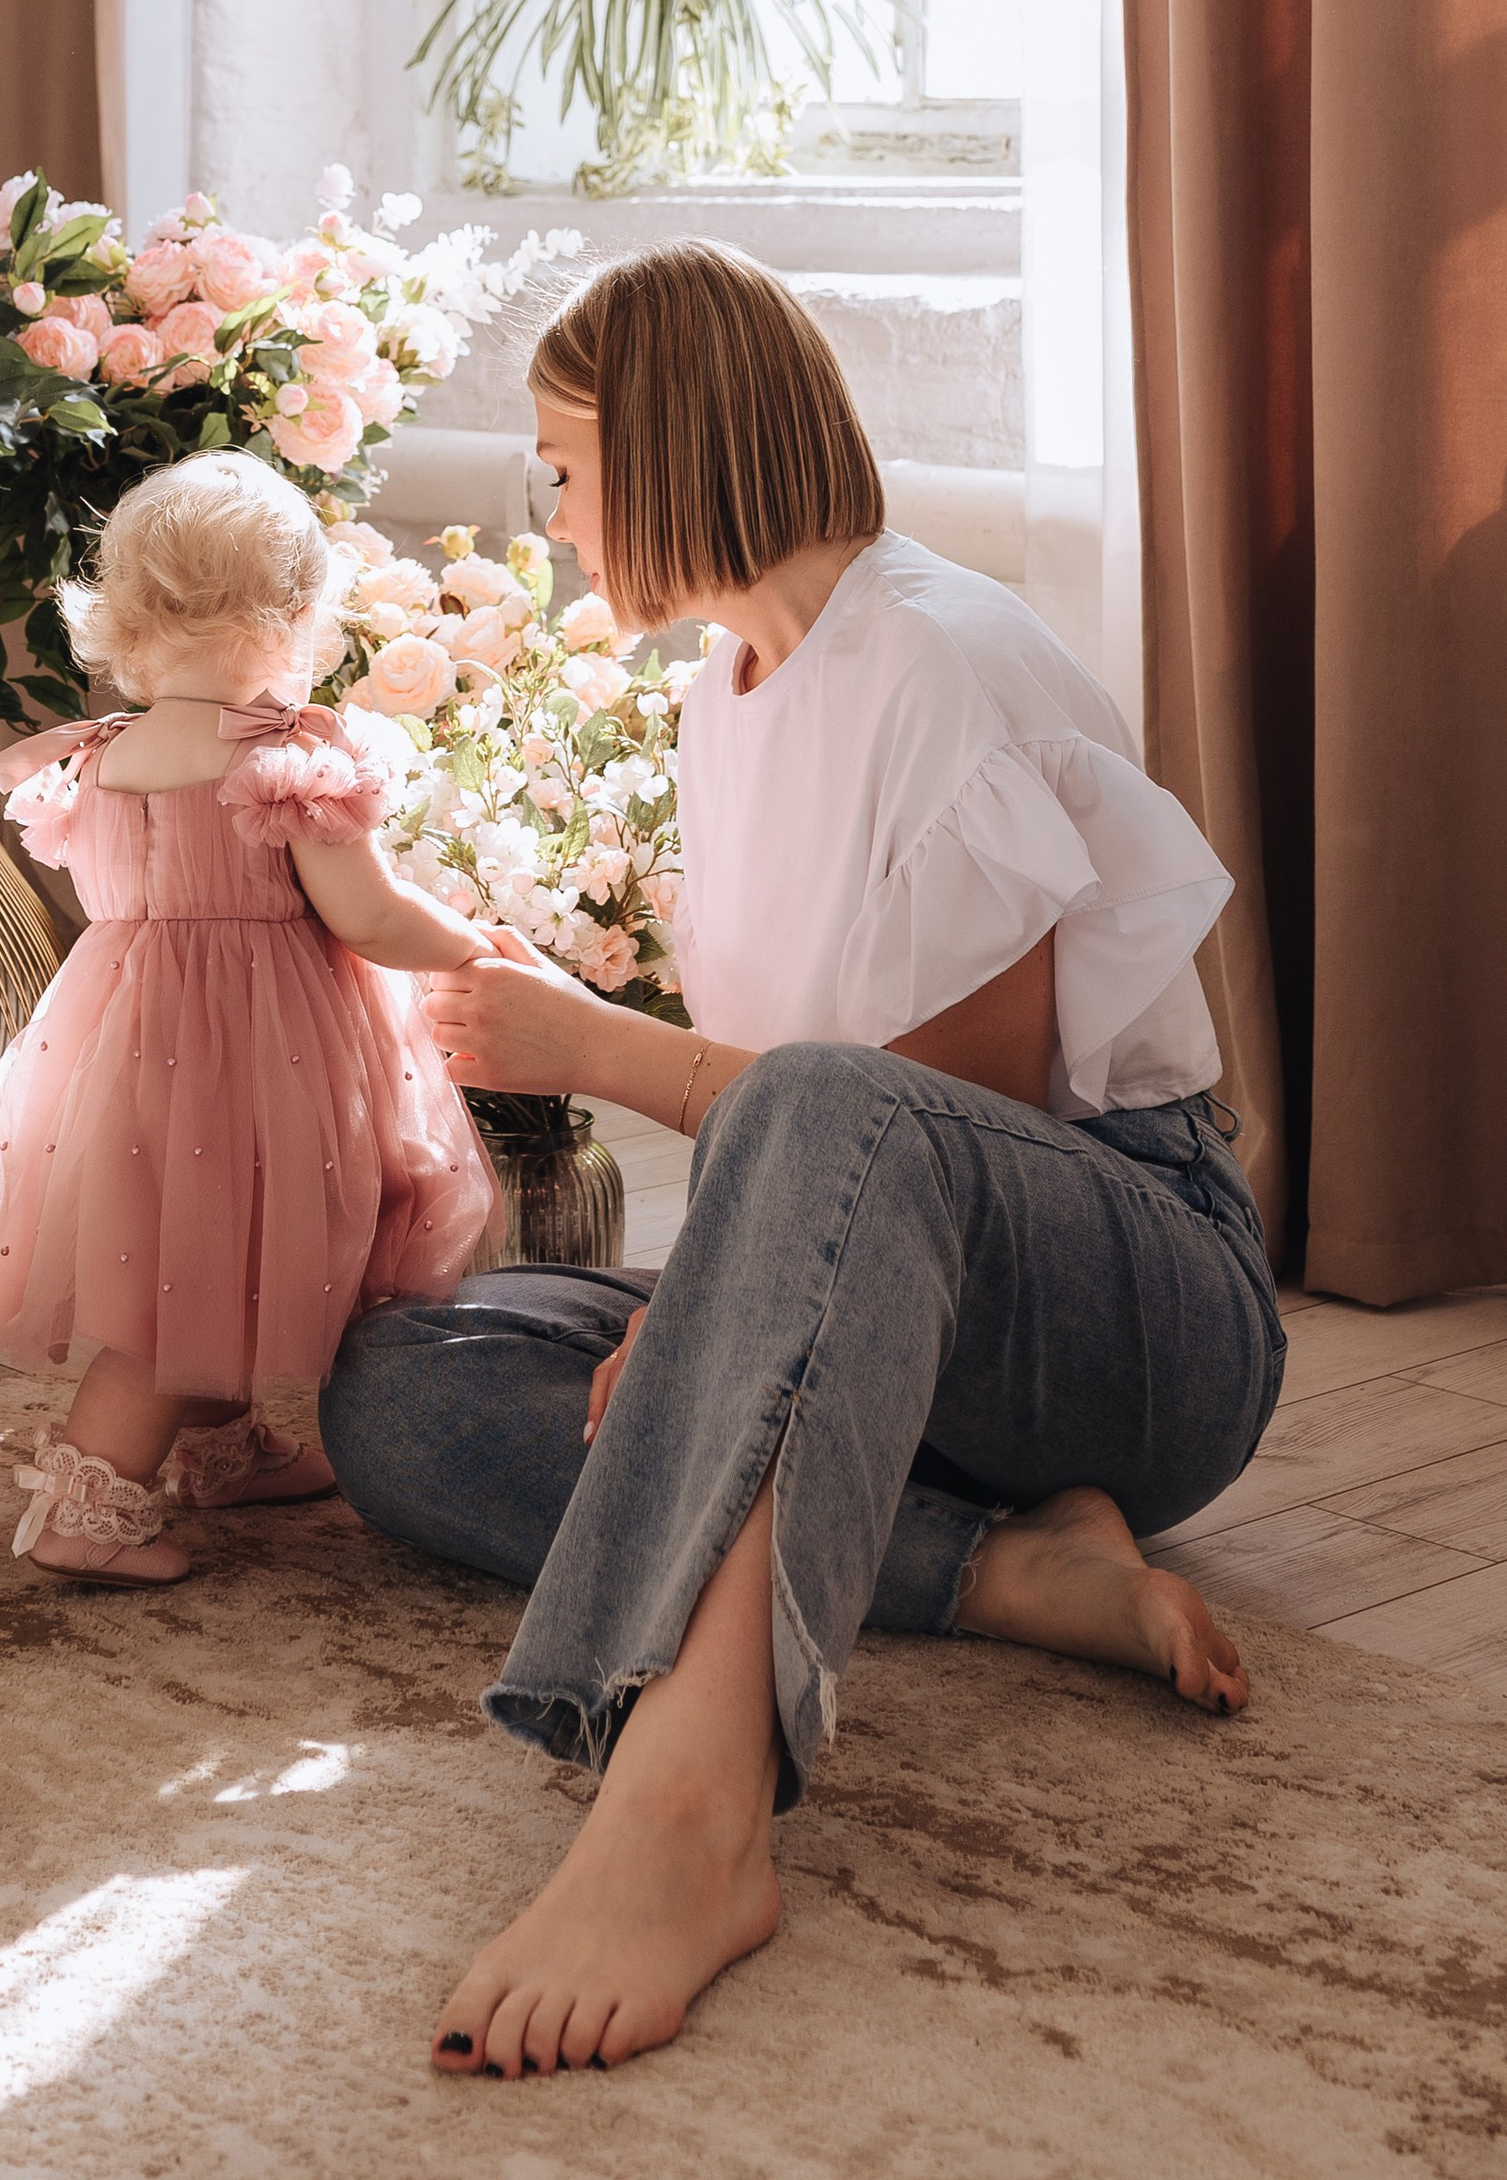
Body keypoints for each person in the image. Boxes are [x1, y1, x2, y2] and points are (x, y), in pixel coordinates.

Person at [314, 241, 1285, 2080]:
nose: (557, 510)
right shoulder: (732, 686)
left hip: (1137, 1302)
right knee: (398, 1385)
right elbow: (821, 1198)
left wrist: (606, 1056)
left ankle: (693, 1803)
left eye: (567, 463)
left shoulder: (940, 660)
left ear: (671, 448)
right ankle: (999, 1567)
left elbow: (934, 1132)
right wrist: (697, 1316)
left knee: (827, 1106)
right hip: (888, 1334)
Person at [0, 450, 500, 1581]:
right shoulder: (289, 756)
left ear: (128, 616)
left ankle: (222, 1445)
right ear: (298, 610)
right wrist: (473, 948)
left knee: (200, 1242)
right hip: (260, 1049)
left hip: (121, 1039)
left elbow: (126, 907)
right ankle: (82, 1510)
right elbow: (366, 914)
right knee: (194, 1269)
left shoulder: (99, 757)